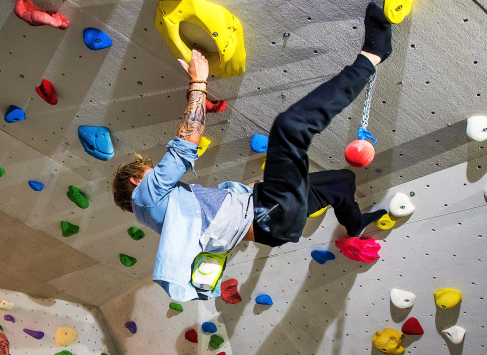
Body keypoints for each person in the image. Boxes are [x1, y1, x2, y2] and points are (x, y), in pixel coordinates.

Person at [111, 2, 394, 302]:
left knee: (342, 182)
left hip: (268, 215)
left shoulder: (164, 214)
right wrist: (198, 82)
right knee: (289, 127)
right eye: (150, 171)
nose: (158, 172)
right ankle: (371, 57)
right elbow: (185, 147)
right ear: (135, 181)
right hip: (269, 213)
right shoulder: (145, 196)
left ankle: (354, 222)